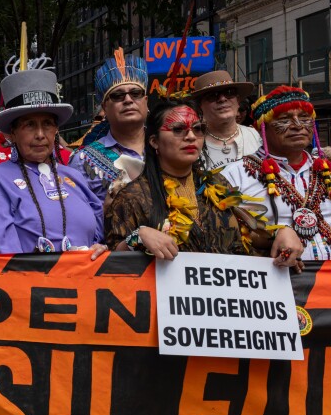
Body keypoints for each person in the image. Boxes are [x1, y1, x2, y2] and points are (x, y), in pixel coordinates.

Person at [106, 100, 302, 267]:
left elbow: (246, 239)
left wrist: (283, 235)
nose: (191, 136)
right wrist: (138, 237)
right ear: (154, 142)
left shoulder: (218, 184)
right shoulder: (132, 196)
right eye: (178, 129)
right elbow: (112, 263)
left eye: (197, 129)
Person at [0, 65, 106, 257]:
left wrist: (99, 249)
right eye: (29, 125)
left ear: (56, 130)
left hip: (83, 282)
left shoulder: (74, 176)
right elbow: (2, 254)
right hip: (32, 285)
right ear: (13, 133)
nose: (40, 135)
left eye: (47, 124)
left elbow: (100, 235)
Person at [223, 86, 331, 261]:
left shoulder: (326, 169)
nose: (297, 126)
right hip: (277, 278)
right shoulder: (236, 175)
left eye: (305, 118)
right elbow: (225, 236)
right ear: (261, 129)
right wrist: (272, 237)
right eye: (284, 119)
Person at [70, 49, 149, 202]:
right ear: (105, 107)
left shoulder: (166, 146)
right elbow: (76, 218)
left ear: (146, 101)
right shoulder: (82, 160)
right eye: (117, 95)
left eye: (135, 93)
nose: (128, 100)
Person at [189, 70, 261, 170]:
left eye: (229, 93)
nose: (222, 99)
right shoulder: (190, 143)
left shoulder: (258, 137)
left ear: (238, 101)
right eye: (212, 95)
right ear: (199, 106)